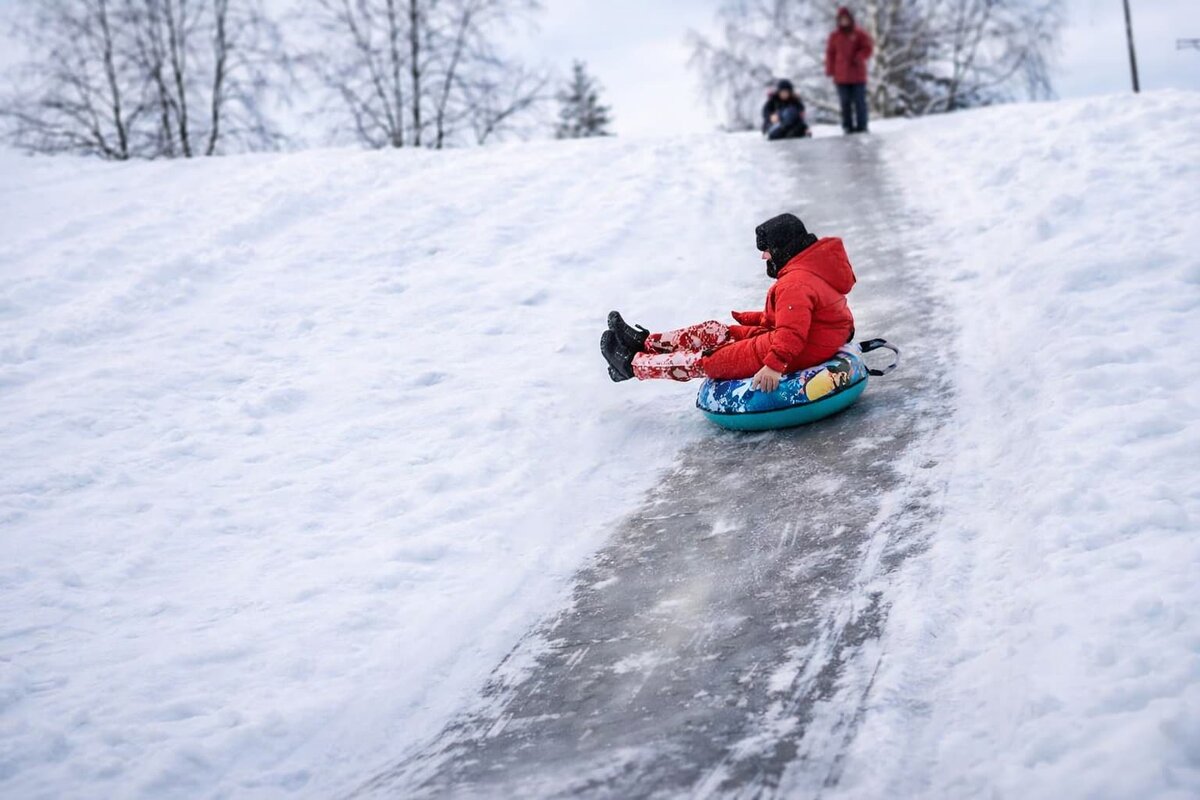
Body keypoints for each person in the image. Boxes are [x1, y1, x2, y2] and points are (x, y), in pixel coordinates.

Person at [600, 214, 856, 391]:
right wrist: (755, 319)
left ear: (782, 248)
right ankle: (645, 342)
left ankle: (631, 365)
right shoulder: (809, 271)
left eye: (766, 250)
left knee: (708, 359)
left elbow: (792, 332)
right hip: (786, 339)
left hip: (786, 350)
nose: (764, 256)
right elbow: (798, 318)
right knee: (714, 330)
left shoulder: (795, 283)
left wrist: (774, 366)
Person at [825, 7, 874, 134]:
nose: (844, 22)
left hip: (857, 74)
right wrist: (830, 69)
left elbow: (868, 48)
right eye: (841, 20)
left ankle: (862, 126)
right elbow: (830, 53)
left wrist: (860, 57)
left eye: (846, 19)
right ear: (838, 21)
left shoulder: (859, 33)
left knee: (859, 102)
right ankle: (847, 126)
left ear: (850, 19)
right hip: (841, 76)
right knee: (845, 102)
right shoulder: (834, 36)